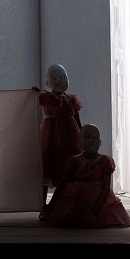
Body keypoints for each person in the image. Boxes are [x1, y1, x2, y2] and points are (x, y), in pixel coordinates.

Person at [40, 123, 130, 228]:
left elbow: (106, 186)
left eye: (95, 138)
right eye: (87, 138)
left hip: (96, 197)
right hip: (76, 195)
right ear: (79, 142)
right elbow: (63, 183)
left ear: (100, 142)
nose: (91, 141)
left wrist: (98, 206)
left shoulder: (104, 161)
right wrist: (53, 202)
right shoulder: (74, 161)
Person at [32, 63, 83, 207]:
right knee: (48, 165)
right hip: (51, 135)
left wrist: (81, 135)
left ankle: (65, 202)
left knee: (68, 166)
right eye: (55, 79)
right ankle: (42, 204)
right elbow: (35, 101)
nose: (59, 81)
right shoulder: (47, 97)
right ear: (48, 83)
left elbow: (77, 118)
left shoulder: (72, 99)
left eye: (63, 77)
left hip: (70, 136)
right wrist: (33, 94)